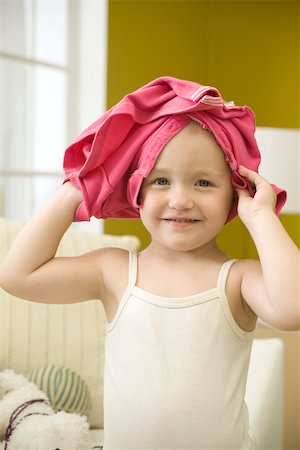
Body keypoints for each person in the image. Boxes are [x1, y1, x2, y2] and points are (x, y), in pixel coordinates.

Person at [0, 77, 299, 450]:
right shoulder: (114, 271)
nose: (180, 200)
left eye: (204, 183)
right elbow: (17, 275)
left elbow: (293, 309)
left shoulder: (238, 279)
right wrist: (78, 186)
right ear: (135, 189)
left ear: (234, 195)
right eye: (160, 180)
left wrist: (260, 217)